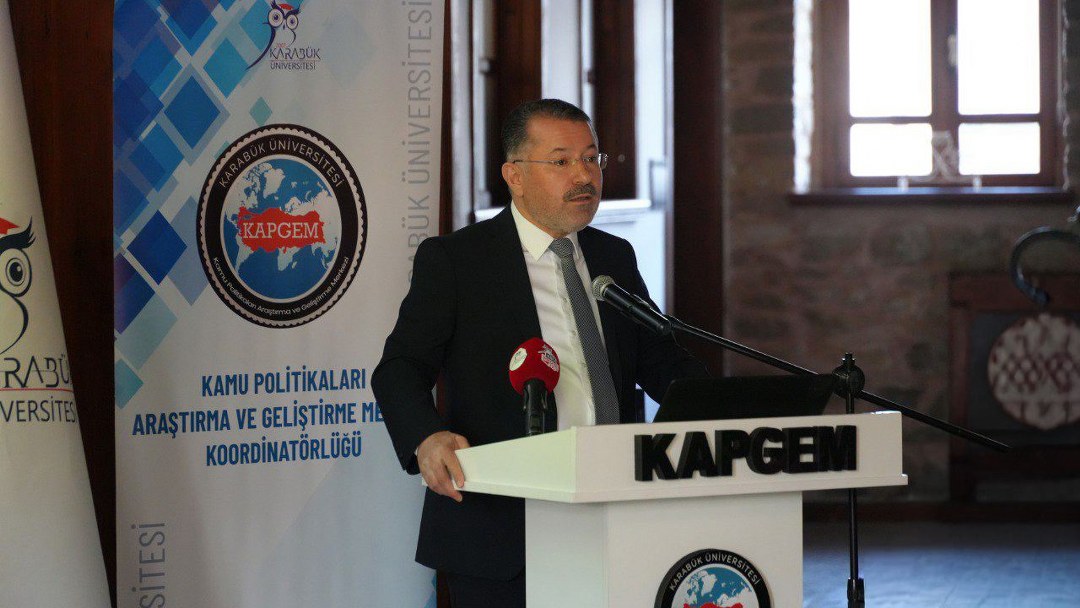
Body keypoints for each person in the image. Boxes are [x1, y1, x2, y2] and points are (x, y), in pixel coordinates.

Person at [372, 98, 707, 607]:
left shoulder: (613, 256)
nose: (584, 176)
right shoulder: (458, 261)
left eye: (591, 158)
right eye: (562, 161)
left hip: (612, 511)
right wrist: (426, 436)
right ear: (515, 176)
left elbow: (662, 363)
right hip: (502, 531)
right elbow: (399, 369)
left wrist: (732, 409)